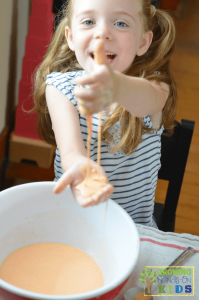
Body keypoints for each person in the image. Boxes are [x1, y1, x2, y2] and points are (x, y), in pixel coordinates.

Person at [33, 0, 177, 228]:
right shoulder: (60, 88)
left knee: (186, 266)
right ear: (70, 37)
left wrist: (117, 87)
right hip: (74, 224)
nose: (102, 33)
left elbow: (147, 101)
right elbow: (71, 151)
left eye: (120, 23)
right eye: (89, 21)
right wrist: (80, 167)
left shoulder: (156, 85)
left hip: (137, 232)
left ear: (143, 41)